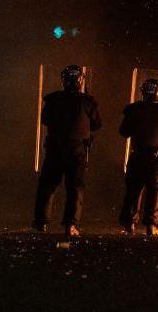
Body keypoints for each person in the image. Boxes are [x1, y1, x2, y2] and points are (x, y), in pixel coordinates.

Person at [33, 65, 101, 237]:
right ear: (80, 81)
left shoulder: (53, 99)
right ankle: (71, 225)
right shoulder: (87, 101)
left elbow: (45, 119)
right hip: (76, 150)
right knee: (75, 188)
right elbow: (96, 124)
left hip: (55, 148)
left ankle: (41, 223)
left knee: (48, 186)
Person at [118, 78, 158, 236]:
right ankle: (151, 226)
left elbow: (124, 132)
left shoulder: (133, 109)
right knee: (156, 190)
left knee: (133, 189)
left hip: (138, 154)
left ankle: (129, 224)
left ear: (143, 92)